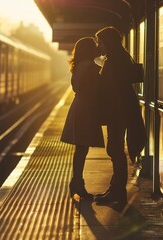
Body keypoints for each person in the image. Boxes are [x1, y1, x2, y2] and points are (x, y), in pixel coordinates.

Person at [94, 26, 145, 205]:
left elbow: (108, 86)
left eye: (100, 42)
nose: (98, 46)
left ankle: (118, 193)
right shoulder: (120, 57)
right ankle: (115, 189)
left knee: (115, 149)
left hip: (117, 110)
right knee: (115, 149)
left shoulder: (113, 60)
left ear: (108, 42)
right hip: (122, 109)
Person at [60, 37, 105, 200]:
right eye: (94, 46)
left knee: (81, 149)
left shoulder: (78, 66)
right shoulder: (91, 67)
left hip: (79, 106)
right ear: (88, 49)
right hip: (87, 109)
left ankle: (76, 182)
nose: (97, 48)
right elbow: (99, 88)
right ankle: (77, 183)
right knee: (82, 149)